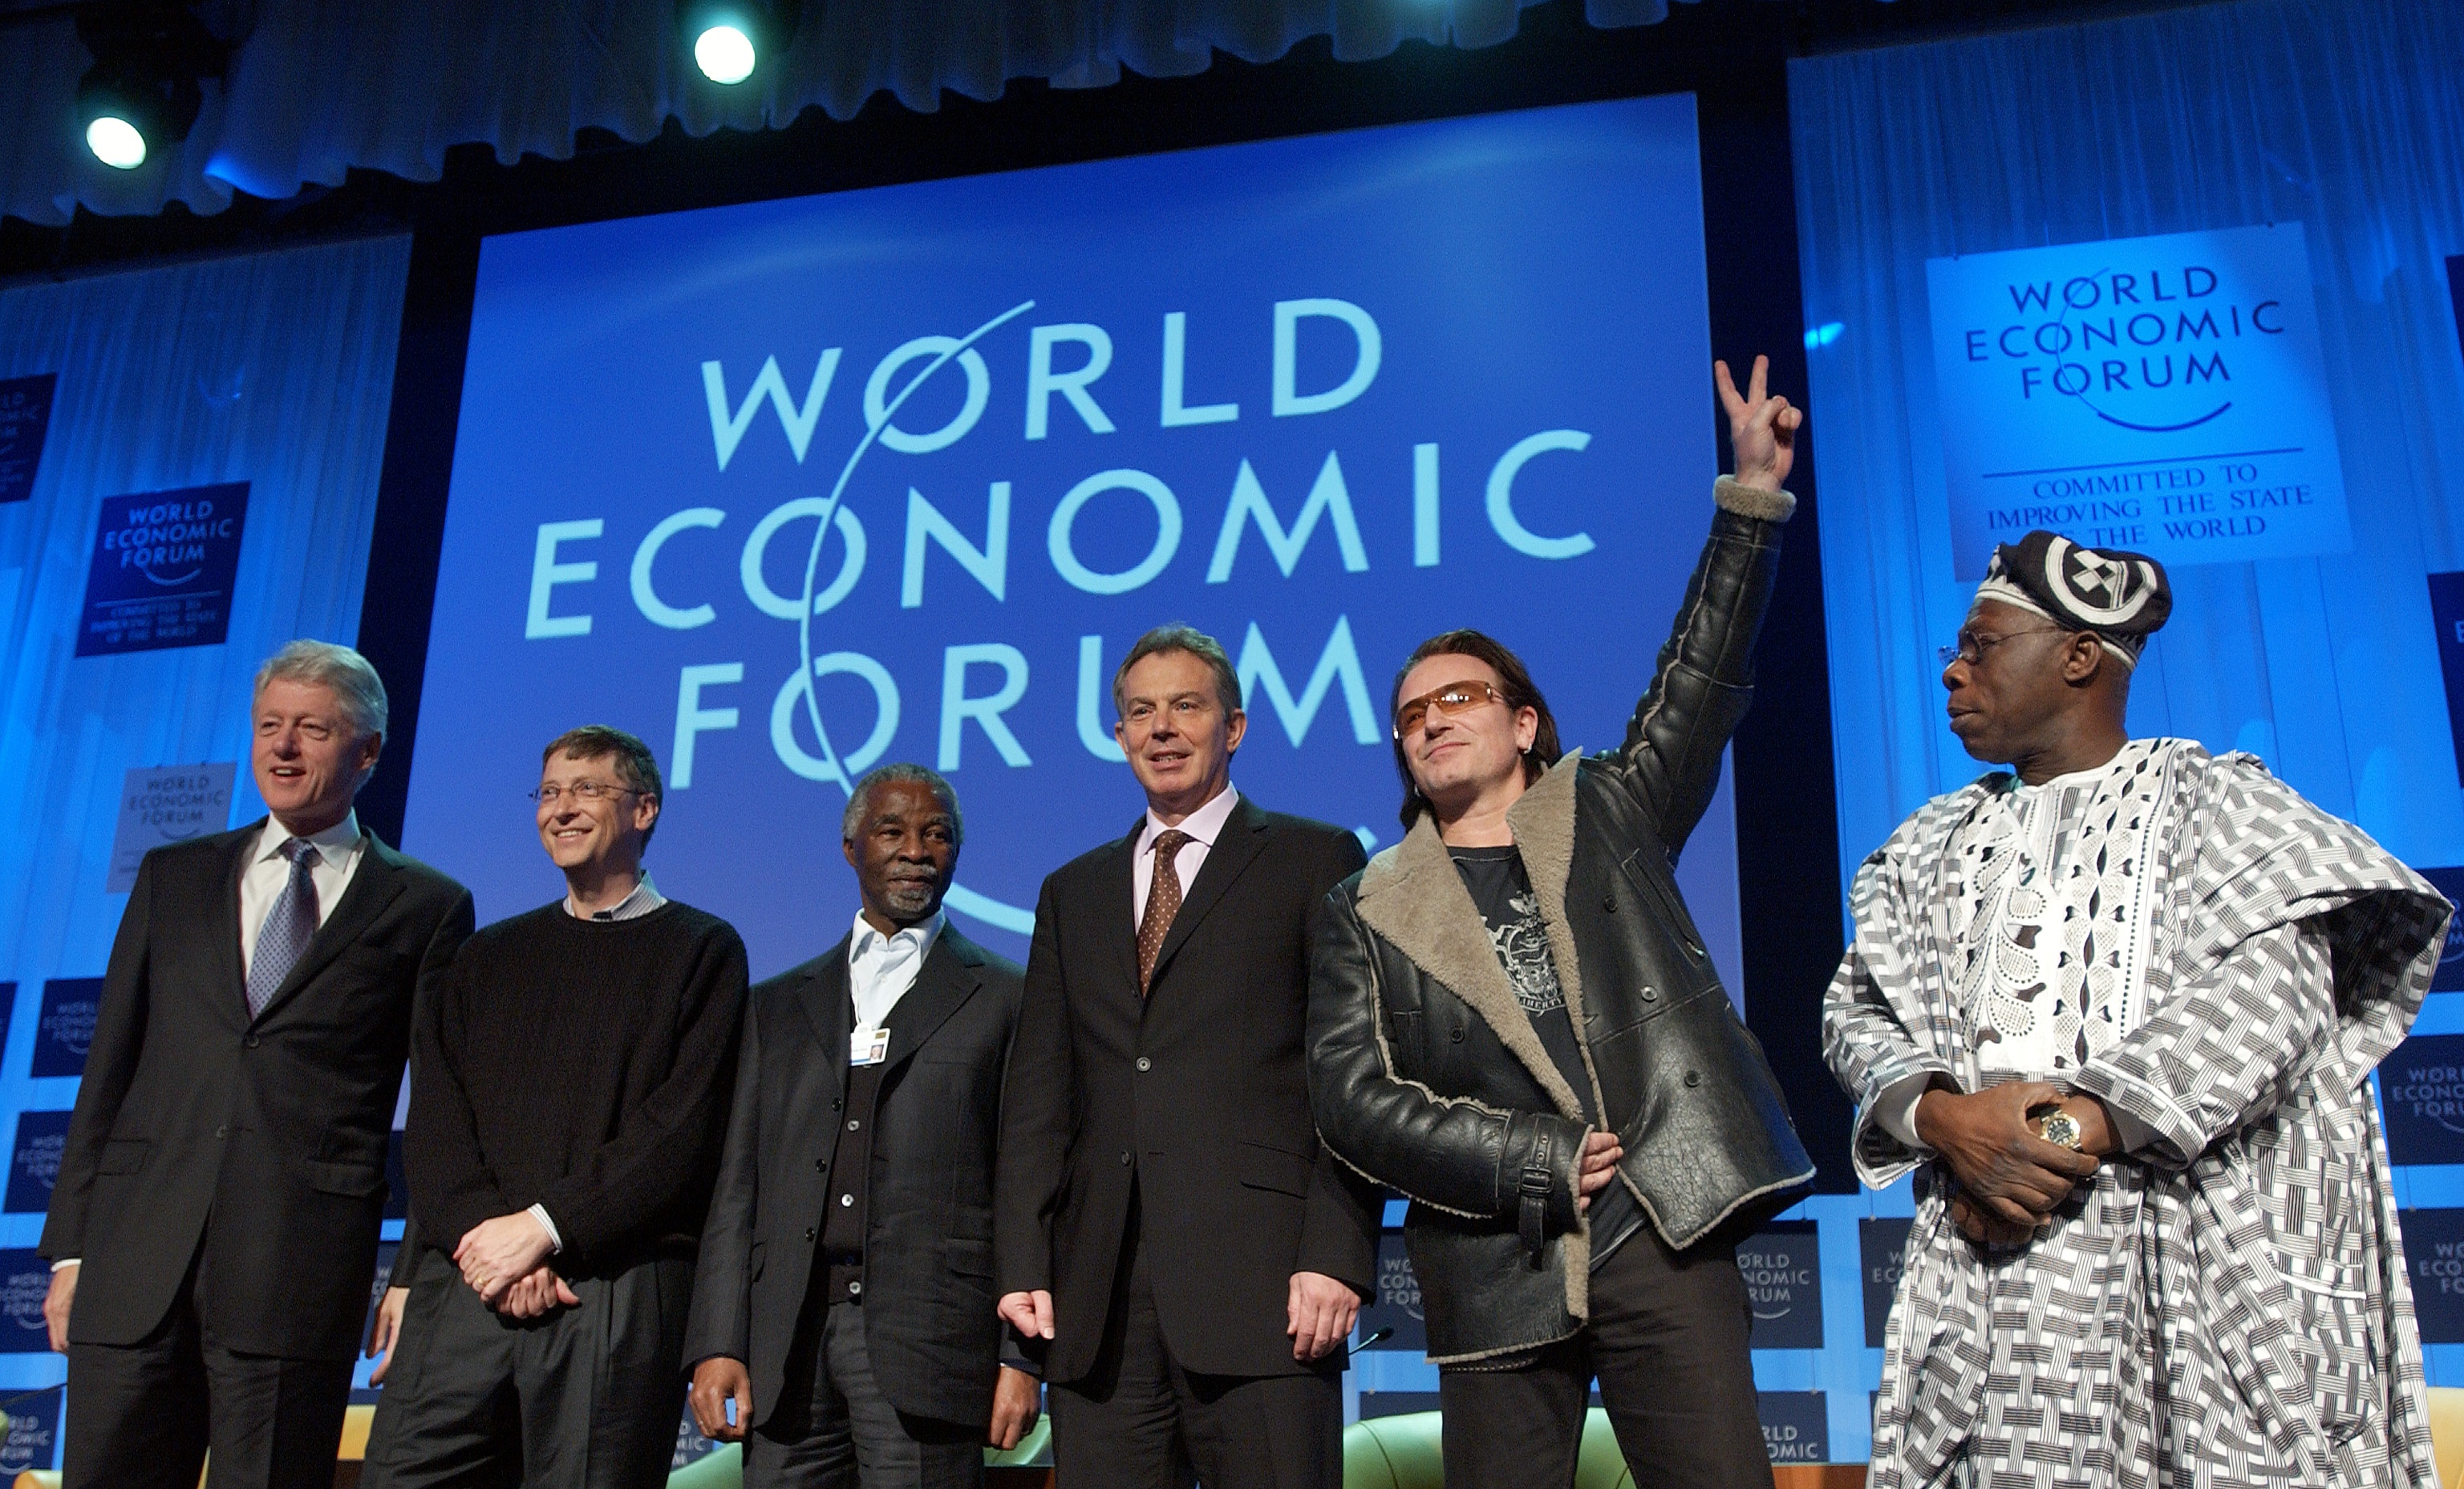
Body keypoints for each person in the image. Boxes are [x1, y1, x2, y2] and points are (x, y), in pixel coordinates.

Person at [1825, 530, 2450, 1487]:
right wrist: (1950, 1122)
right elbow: (1856, 1010)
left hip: (2199, 1281)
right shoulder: (1927, 845)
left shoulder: (2224, 808)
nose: (1953, 670)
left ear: (2079, 655)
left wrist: (2048, 1135)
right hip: (1995, 1287)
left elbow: (2267, 1001)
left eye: (1982, 645)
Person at [1304, 356, 1814, 1489]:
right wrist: (1526, 1159)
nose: (1432, 721)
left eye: (1461, 697)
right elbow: (1352, 1099)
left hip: (1664, 1223)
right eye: (1410, 714)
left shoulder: (1609, 811)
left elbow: (1700, 678)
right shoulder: (1364, 906)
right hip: (1499, 1256)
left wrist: (1750, 502)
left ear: (1525, 723)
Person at [38, 640, 474, 1489]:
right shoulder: (173, 875)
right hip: (134, 1265)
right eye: (270, 725)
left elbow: (439, 1110)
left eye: (312, 729)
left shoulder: (426, 904)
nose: (283, 747)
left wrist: (415, 1271)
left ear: (368, 751)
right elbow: (109, 1069)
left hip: (295, 1275)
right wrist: (71, 1252)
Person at [994, 624, 1380, 1489]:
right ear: (1119, 735)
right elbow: (1038, 1099)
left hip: (1266, 1290)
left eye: (1185, 706)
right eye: (1141, 711)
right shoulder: (1072, 890)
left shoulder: (1314, 858)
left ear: (1233, 727)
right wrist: (1023, 1261)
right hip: (1097, 1304)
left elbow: (1353, 1075)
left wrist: (1337, 1249)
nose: (1162, 727)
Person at [362, 724, 748, 1489]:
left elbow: (680, 1132)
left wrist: (542, 1230)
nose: (561, 809)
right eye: (548, 793)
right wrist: (493, 1245)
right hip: (470, 1281)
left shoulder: (702, 949)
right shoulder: (485, 956)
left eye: (586, 790)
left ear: (644, 810)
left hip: (609, 1290)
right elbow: (437, 1119)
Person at [683, 763, 1040, 1487]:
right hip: (787, 1343)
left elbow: (1027, 1186)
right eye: (892, 831)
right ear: (850, 849)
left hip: (934, 1344)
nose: (916, 851)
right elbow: (736, 1187)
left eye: (937, 834)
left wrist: (1021, 1357)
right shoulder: (775, 1007)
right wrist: (719, 1340)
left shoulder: (1008, 998)